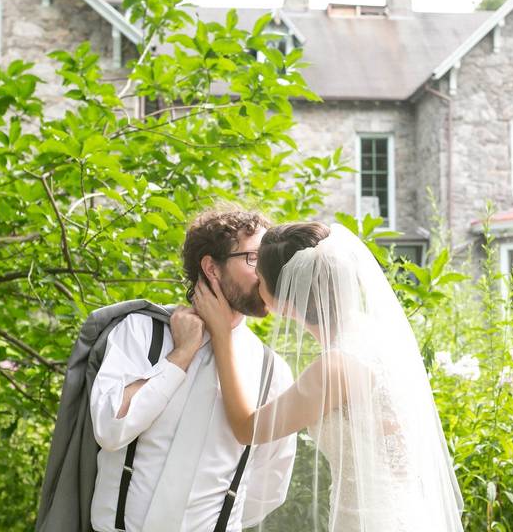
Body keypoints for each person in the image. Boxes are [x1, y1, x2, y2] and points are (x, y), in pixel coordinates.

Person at [193, 222, 464, 532]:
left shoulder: (334, 368)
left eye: (261, 273)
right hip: (402, 510)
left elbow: (247, 429)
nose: (255, 279)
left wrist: (222, 337)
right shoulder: (373, 335)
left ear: (284, 298)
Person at [88, 209, 296, 532]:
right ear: (212, 267)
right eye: (254, 258)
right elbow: (110, 427)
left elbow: (269, 486)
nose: (266, 272)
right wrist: (181, 355)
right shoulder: (141, 332)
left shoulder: (272, 372)